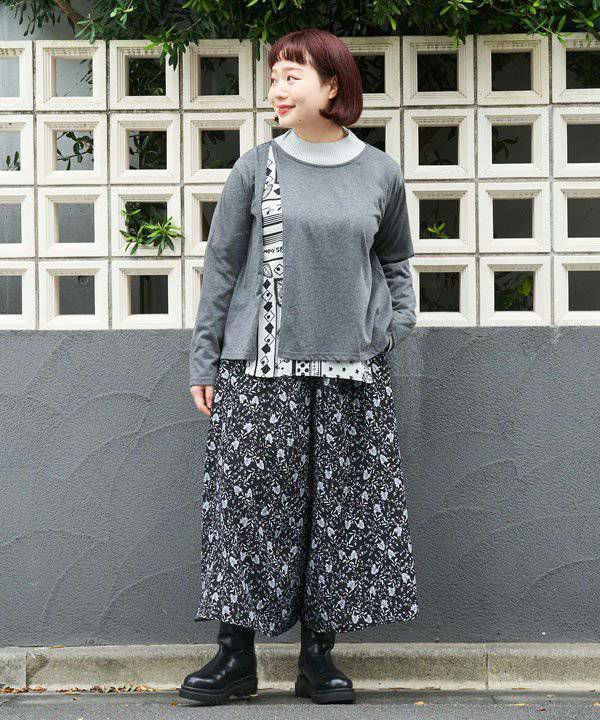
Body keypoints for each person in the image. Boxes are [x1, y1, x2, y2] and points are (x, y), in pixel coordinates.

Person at [179, 28, 419, 706]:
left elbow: (396, 265)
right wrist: (204, 358)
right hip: (258, 370)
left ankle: (319, 659)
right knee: (248, 509)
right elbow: (221, 269)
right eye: (274, 77)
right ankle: (235, 657)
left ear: (333, 85)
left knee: (337, 512)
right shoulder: (255, 168)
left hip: (352, 374)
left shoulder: (379, 172)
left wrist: (390, 330)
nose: (277, 90)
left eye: (293, 76)